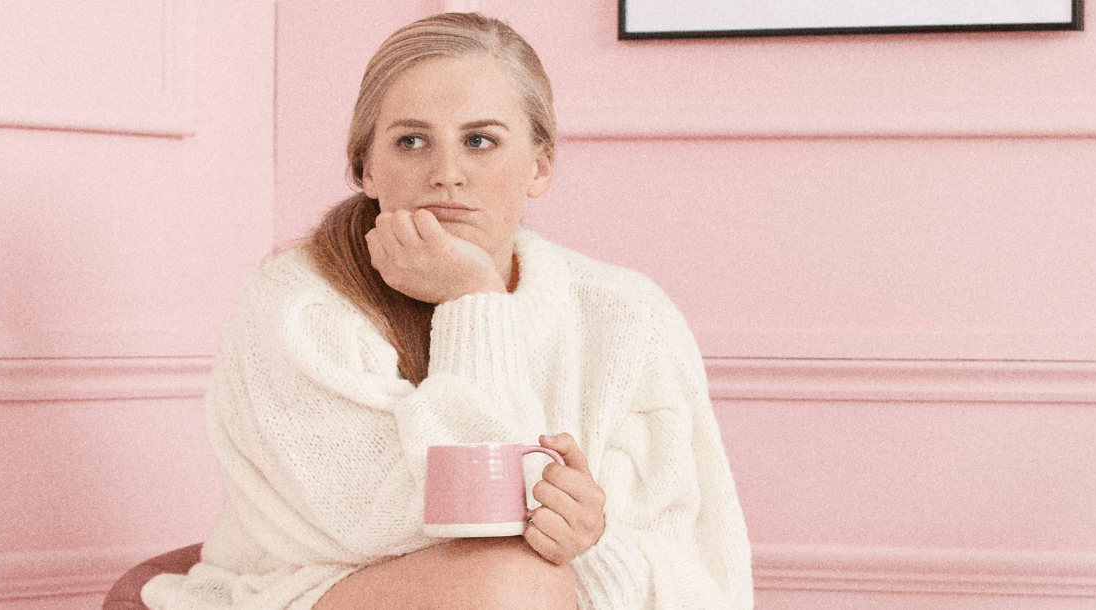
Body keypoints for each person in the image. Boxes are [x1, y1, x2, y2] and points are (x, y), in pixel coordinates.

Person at [141, 12, 753, 610]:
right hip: (302, 593)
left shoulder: (628, 317)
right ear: (367, 168)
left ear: (540, 165)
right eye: (411, 141)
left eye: (480, 140)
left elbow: (697, 570)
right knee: (511, 582)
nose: (446, 174)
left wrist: (591, 542)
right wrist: (472, 301)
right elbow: (434, 521)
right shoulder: (296, 307)